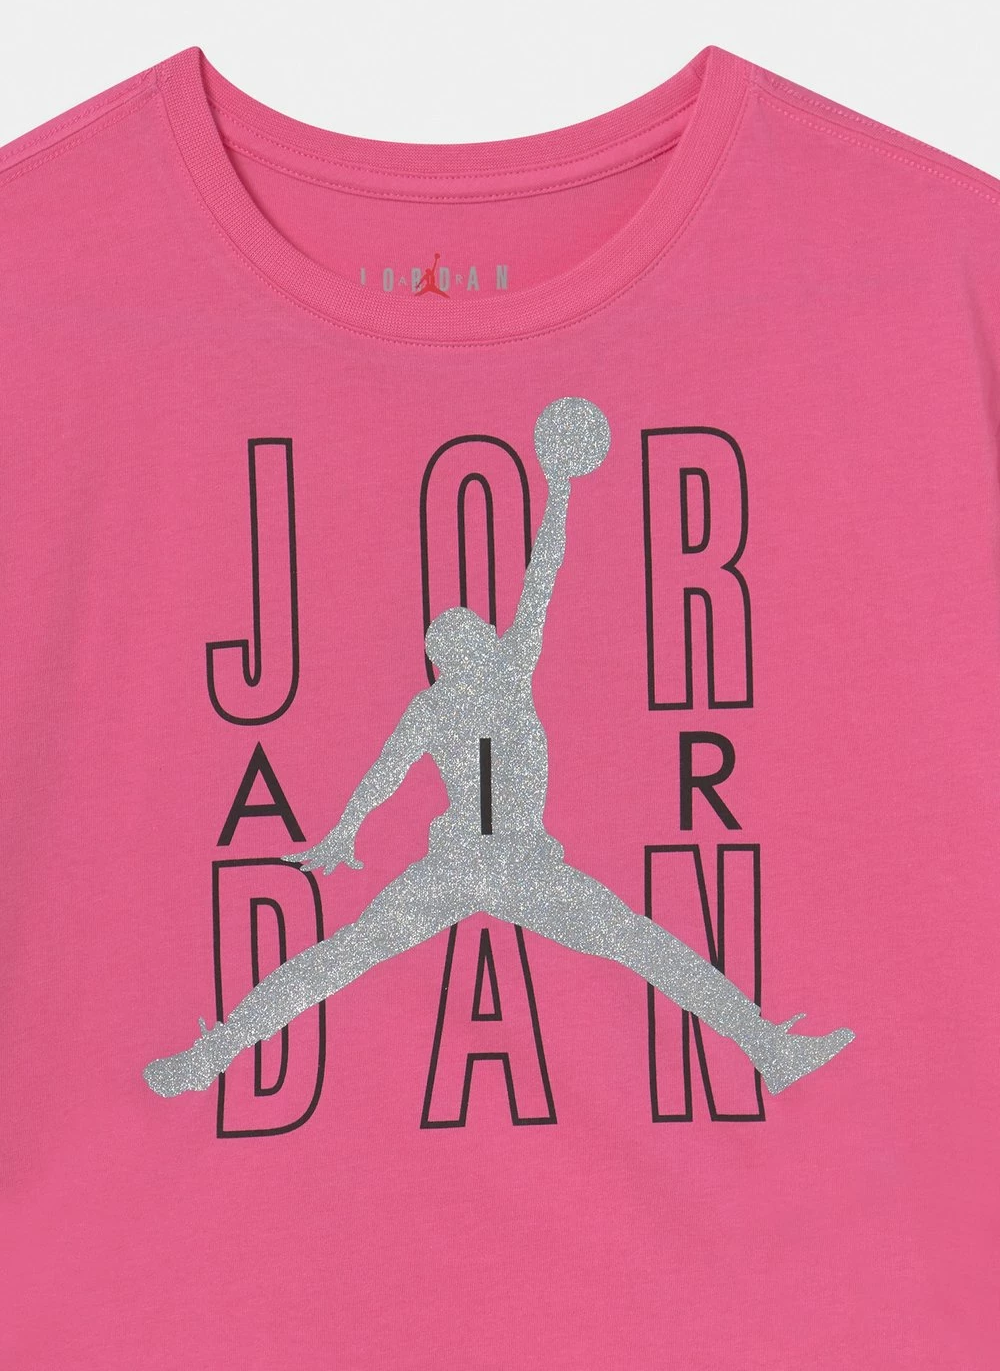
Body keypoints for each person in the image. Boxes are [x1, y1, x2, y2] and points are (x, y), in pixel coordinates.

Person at [143, 397, 855, 1100]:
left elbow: (540, 579)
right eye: (464, 634)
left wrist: (561, 490)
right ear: (456, 653)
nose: (478, 635)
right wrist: (344, 829)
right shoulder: (472, 689)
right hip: (477, 865)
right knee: (347, 958)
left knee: (635, 945)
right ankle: (211, 1054)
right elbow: (388, 769)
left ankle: (768, 1047)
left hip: (504, 865)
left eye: (475, 630)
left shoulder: (489, 682)